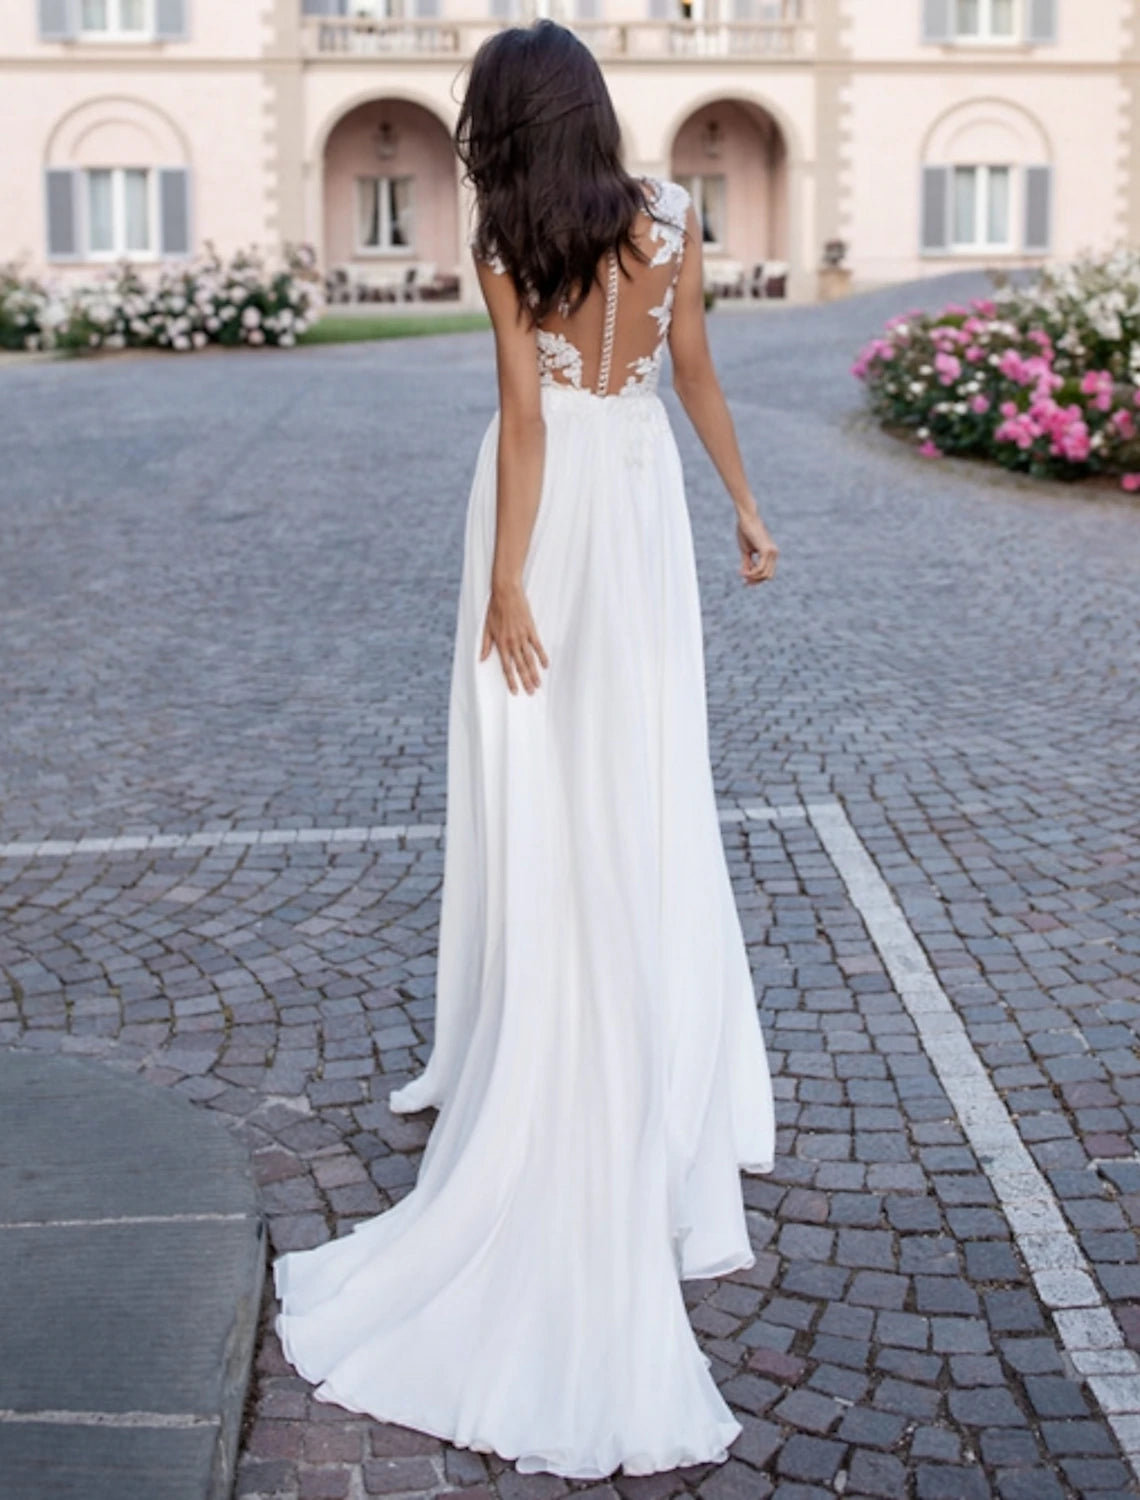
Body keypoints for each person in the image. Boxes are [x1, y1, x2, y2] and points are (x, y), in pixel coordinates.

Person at [273, 19, 778, 1480]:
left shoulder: (510, 237)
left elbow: (520, 415)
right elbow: (692, 378)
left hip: (551, 511)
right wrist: (743, 506)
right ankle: (646, 1004)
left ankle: (546, 992)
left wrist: (505, 579)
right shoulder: (675, 216)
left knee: (539, 768)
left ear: (508, 119)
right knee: (648, 764)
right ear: (599, 107)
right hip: (645, 512)